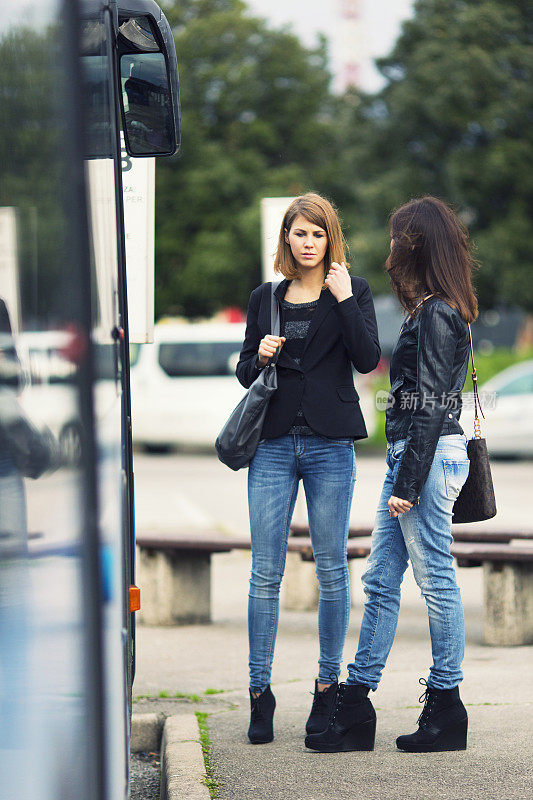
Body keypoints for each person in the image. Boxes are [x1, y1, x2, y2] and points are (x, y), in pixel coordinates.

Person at [305, 196, 478, 754]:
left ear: (415, 245)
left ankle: (446, 707)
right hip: (412, 458)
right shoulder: (432, 308)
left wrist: (407, 483)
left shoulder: (438, 314)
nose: (390, 249)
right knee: (381, 582)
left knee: (436, 582)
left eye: (396, 238)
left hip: (422, 462)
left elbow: (429, 403)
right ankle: (356, 705)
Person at [236, 193, 381, 744]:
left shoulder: (354, 289)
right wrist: (261, 357)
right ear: (287, 240)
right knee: (264, 574)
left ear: (329, 239)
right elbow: (243, 369)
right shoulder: (265, 297)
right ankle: (259, 694)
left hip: (329, 444)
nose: (308, 242)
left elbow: (368, 359)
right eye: (299, 233)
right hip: (272, 443)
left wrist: (344, 300)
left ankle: (326, 691)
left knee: (332, 572)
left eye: (317, 234)